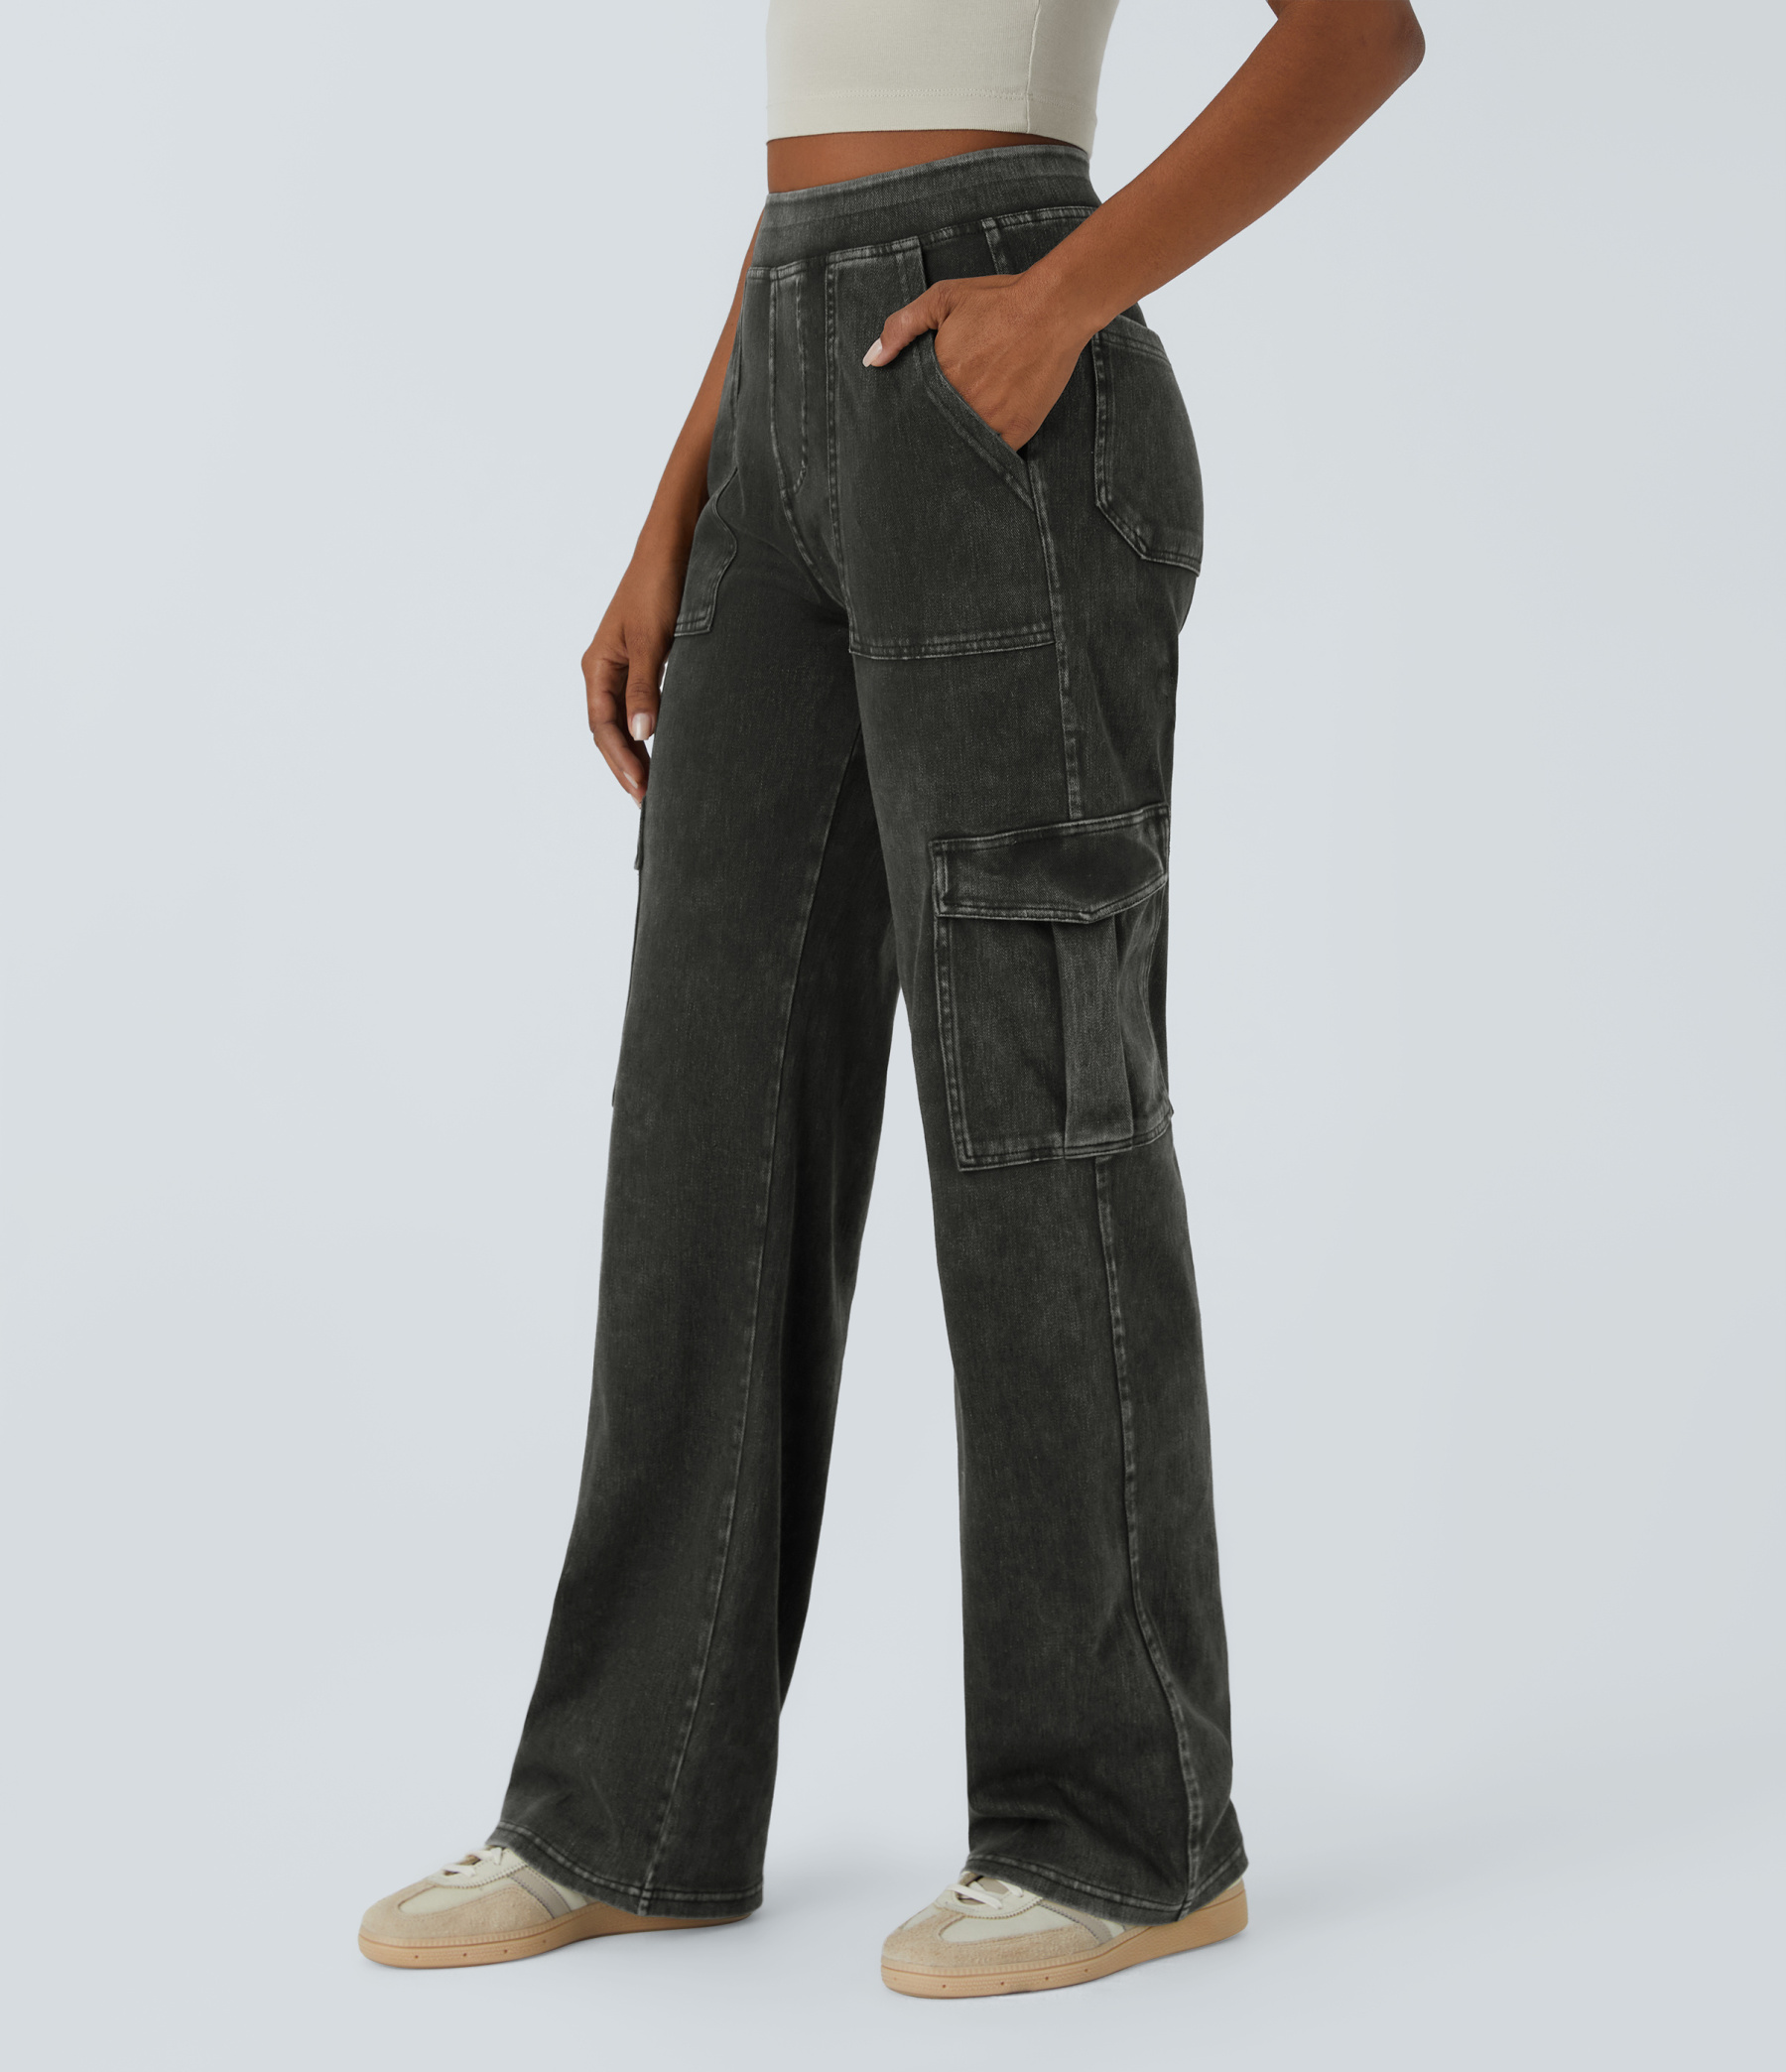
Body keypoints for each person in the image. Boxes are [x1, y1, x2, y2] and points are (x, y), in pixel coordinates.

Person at [358, 0, 1424, 1998]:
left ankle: (1125, 1834)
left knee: (1036, 1103)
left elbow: (1359, 35)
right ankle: (628, 1811)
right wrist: (682, 496)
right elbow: (821, 163)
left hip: (1000, 377)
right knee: (706, 1118)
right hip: (785, 388)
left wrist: (1061, 299)